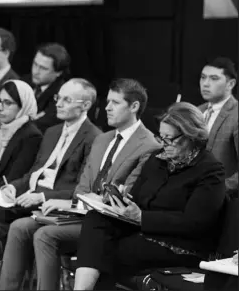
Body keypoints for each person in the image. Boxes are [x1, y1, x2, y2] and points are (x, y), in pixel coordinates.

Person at [0, 78, 161, 290]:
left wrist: (75, 203)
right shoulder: (104, 139)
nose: (107, 108)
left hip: (108, 223)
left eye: (115, 103)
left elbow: (124, 198)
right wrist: (76, 203)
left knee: (45, 235)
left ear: (134, 106)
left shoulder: (148, 145)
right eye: (108, 101)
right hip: (81, 212)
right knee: (20, 226)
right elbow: (82, 188)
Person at [73, 102, 226, 290]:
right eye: (161, 137)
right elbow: (136, 198)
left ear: (192, 136)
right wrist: (119, 202)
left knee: (107, 250)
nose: (164, 145)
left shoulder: (210, 170)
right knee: (96, 219)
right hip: (143, 231)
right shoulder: (157, 159)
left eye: (170, 139)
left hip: (181, 245)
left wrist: (141, 217)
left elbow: (196, 223)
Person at [0, 78, 101, 246]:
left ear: (85, 106)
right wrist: (13, 187)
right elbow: (33, 174)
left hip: (54, 206)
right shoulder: (51, 132)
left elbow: (82, 188)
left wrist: (41, 197)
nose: (59, 104)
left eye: (67, 100)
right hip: (27, 198)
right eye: (58, 98)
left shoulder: (94, 138)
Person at [198, 57, 238, 192]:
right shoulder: (197, 111)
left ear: (230, 84)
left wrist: (218, 190)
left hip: (221, 197)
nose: (205, 84)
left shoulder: (236, 115)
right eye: (203, 77)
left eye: (214, 78)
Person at [28, 43, 71, 133]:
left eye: (43, 68)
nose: (36, 71)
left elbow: (41, 126)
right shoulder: (24, 81)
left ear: (58, 72)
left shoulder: (62, 96)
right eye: (35, 64)